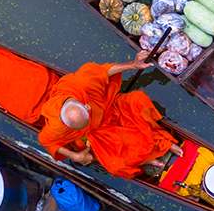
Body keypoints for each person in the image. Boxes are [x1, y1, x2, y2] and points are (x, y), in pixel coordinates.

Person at [37, 53, 182, 179]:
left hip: (109, 108)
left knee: (138, 101)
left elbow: (105, 72)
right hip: (97, 133)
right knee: (116, 165)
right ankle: (149, 155)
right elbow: (45, 141)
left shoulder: (82, 83)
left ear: (86, 106)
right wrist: (75, 156)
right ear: (64, 121)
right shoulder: (56, 125)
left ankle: (162, 144)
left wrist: (133, 64)